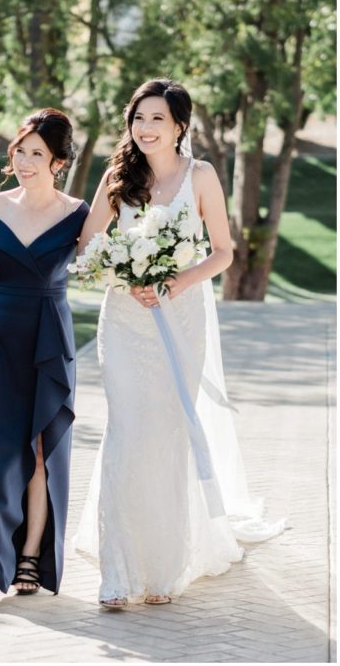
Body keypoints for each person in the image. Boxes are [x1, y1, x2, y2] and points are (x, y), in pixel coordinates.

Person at [73, 78, 283, 609]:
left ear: (180, 126)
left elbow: (223, 253)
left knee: (166, 430)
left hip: (181, 314)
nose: (144, 128)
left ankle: (164, 567)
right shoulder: (118, 176)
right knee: (127, 429)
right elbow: (89, 244)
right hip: (123, 320)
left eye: (157, 119)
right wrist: (122, 274)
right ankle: (118, 571)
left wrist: (173, 281)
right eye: (138, 118)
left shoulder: (202, 176)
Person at [0, 109, 88, 598]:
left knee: (43, 454)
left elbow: (102, 260)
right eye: (20, 151)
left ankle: (29, 558)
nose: (25, 162)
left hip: (49, 342)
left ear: (59, 161)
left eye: (37, 154)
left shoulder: (78, 215)